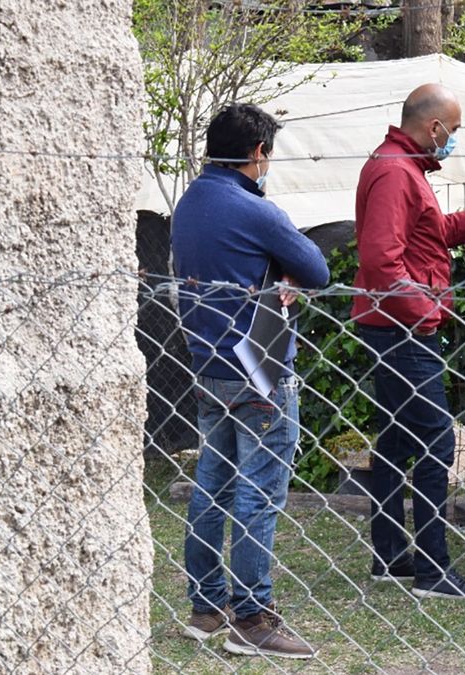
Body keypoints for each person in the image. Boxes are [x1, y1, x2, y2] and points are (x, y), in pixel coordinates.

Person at [172, 103, 329, 659]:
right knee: (258, 496)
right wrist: (285, 272)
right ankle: (253, 618)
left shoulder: (189, 202)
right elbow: (318, 269)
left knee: (211, 486)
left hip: (207, 367)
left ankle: (206, 607)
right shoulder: (255, 209)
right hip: (261, 371)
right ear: (258, 152)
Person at [353, 83, 465, 599]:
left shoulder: (403, 167)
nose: (455, 138)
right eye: (455, 129)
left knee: (397, 440)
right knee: (435, 441)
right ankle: (432, 569)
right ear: (434, 127)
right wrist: (425, 315)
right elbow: (382, 261)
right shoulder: (395, 172)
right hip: (401, 328)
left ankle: (389, 557)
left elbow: (432, 232)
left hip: (394, 322)